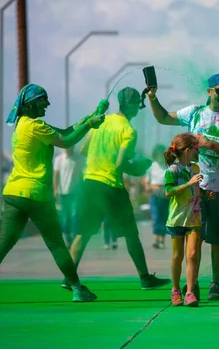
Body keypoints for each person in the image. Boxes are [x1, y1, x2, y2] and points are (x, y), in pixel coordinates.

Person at [0, 83, 104, 304]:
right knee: (57, 244)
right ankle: (77, 289)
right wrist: (89, 124)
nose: (48, 104)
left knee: (4, 241)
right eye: (44, 100)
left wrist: (90, 117)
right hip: (37, 195)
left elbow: (63, 132)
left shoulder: (23, 124)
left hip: (14, 193)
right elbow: (66, 141)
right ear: (31, 104)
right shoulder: (35, 126)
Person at [147, 74, 219, 300]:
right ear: (209, 91)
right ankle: (193, 284)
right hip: (194, 188)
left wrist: (210, 144)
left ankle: (216, 283)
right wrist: (152, 98)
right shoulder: (194, 112)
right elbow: (163, 117)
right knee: (195, 238)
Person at [67, 87, 170, 290]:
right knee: (131, 234)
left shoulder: (101, 121)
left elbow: (82, 149)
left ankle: (68, 278)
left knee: (83, 233)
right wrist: (140, 168)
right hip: (110, 187)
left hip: (89, 184)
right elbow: (122, 163)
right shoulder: (128, 130)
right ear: (133, 106)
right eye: (138, 105)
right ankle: (145, 278)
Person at [164, 133, 204, 307]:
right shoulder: (173, 170)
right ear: (188, 150)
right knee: (177, 255)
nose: (198, 152)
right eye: (196, 149)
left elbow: (195, 189)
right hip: (177, 219)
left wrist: (204, 194)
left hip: (194, 217)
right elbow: (168, 192)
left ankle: (189, 291)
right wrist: (189, 184)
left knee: (193, 255)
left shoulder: (195, 168)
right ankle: (175, 289)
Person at [53, 147, 84, 247]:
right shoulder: (59, 159)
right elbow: (55, 175)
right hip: (63, 194)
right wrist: (55, 190)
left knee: (74, 216)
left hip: (75, 193)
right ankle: (68, 238)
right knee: (65, 218)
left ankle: (75, 239)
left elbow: (82, 175)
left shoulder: (79, 158)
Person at [144, 144, 170, 249]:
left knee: (164, 217)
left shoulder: (168, 166)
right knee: (155, 217)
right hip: (154, 193)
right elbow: (146, 180)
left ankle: (162, 240)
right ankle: (155, 239)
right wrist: (148, 189)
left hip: (165, 194)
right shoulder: (152, 166)